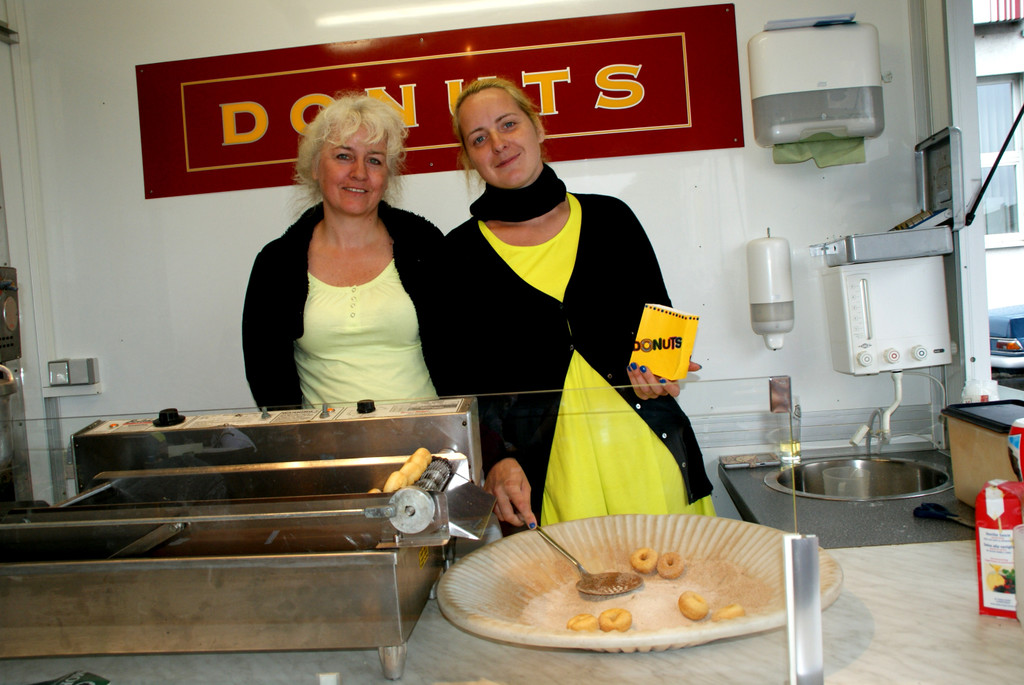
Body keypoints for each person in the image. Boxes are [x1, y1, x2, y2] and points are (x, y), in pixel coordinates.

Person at [437, 78, 715, 529]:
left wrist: (663, 367)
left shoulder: (611, 218)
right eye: (479, 138)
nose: (498, 144)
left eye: (508, 124)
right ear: (468, 158)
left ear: (537, 127)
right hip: (547, 476)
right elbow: (457, 381)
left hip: (647, 452)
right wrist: (494, 458)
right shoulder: (457, 255)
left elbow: (661, 320)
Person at [242, 93, 444, 410]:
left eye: (374, 160)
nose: (359, 173)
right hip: (327, 441)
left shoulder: (426, 246)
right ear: (315, 167)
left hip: (431, 437)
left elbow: (462, 353)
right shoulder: (276, 264)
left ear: (387, 176)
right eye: (343, 156)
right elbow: (267, 379)